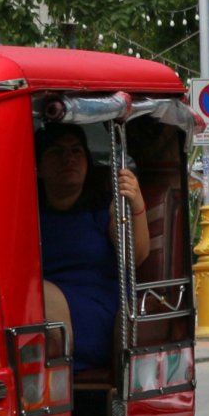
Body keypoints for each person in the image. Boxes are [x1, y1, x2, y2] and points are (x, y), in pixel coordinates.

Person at [36, 125, 149, 373]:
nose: (69, 158)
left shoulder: (105, 208)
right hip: (37, 320)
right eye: (57, 151)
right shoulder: (26, 216)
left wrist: (136, 202)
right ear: (39, 167)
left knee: (40, 294)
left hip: (101, 314)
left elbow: (136, 256)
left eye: (76, 151)